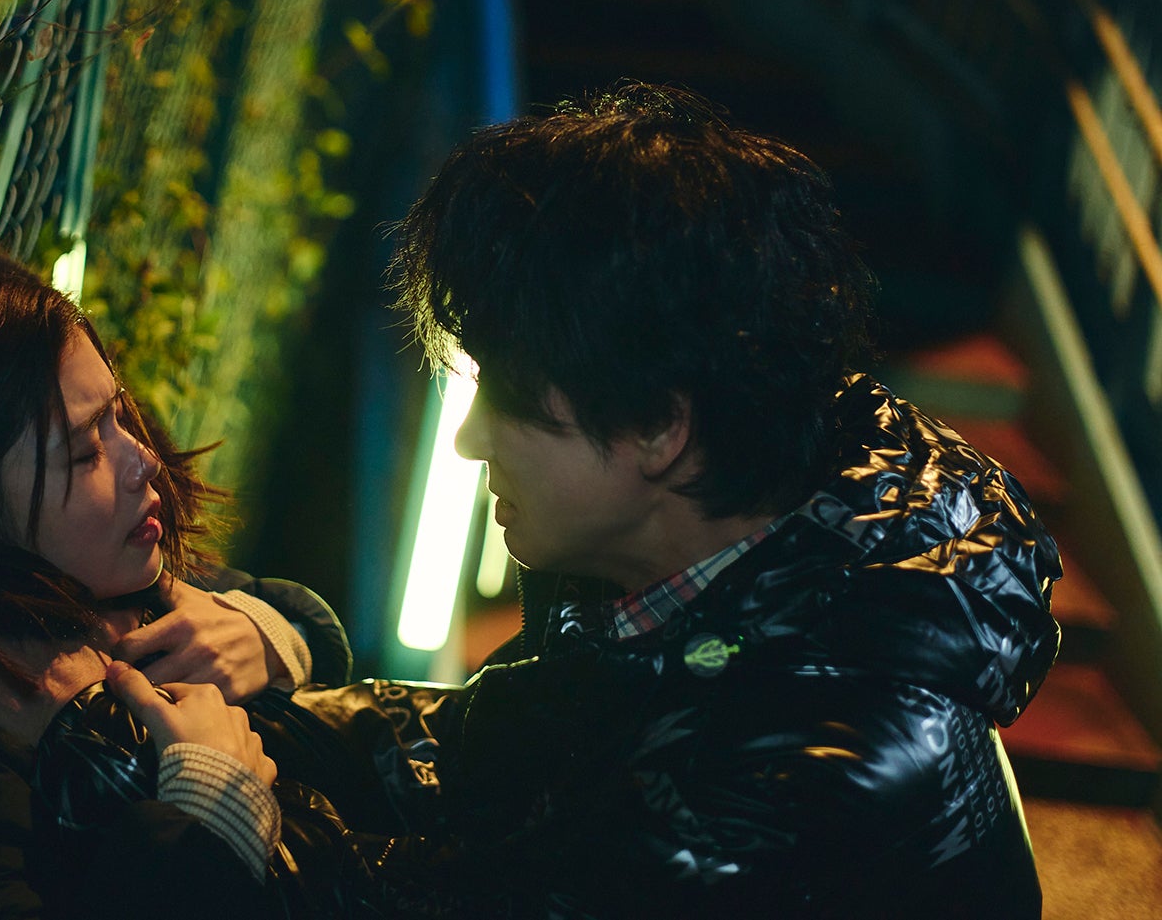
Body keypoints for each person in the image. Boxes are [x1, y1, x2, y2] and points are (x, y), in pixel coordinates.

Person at [383, 83, 1063, 918]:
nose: (468, 441)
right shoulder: (748, 570)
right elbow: (493, 752)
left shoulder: (785, 777)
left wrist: (249, 815)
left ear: (659, 426)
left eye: (507, 397)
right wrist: (289, 659)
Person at [0, 233, 350, 919]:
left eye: (118, 414)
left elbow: (314, 625)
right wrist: (207, 818)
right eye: (87, 450)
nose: (144, 458)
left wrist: (264, 638)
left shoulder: (109, 585)